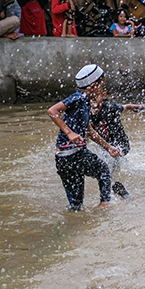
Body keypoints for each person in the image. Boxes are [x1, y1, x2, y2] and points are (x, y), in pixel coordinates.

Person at [47, 65, 120, 210]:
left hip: (71, 156)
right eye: (102, 86)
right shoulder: (78, 98)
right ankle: (104, 206)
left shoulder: (85, 102)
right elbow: (52, 111)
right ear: (93, 86)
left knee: (76, 206)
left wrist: (108, 147)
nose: (103, 90)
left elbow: (89, 130)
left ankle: (98, 210)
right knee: (103, 171)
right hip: (68, 156)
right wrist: (70, 133)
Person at [89, 93, 145, 199]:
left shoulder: (111, 108)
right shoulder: (86, 113)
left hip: (121, 143)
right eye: (90, 99)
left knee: (114, 161)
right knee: (105, 161)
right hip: (106, 145)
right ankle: (113, 184)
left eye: (96, 98)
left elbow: (126, 107)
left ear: (103, 97)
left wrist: (140, 107)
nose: (93, 102)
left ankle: (117, 187)